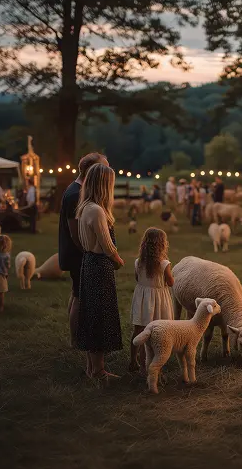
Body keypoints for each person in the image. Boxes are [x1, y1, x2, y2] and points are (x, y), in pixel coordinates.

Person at [76, 163, 125, 382]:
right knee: (99, 317)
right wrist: (118, 260)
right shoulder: (96, 210)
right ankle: (99, 371)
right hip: (99, 266)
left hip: (89, 263)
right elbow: (107, 245)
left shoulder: (85, 206)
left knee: (91, 314)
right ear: (104, 185)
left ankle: (91, 367)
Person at [59, 152, 108, 348]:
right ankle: (76, 340)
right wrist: (89, 252)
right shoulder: (75, 194)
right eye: (103, 168)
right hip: (77, 254)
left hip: (79, 253)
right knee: (80, 296)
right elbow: (75, 233)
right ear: (91, 170)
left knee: (76, 292)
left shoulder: (79, 190)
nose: (106, 172)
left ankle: (76, 337)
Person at [129, 228, 174, 375]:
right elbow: (171, 282)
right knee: (156, 333)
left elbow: (137, 279)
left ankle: (134, 361)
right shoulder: (164, 264)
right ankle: (151, 365)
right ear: (162, 244)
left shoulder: (138, 262)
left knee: (138, 330)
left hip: (142, 299)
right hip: (159, 300)